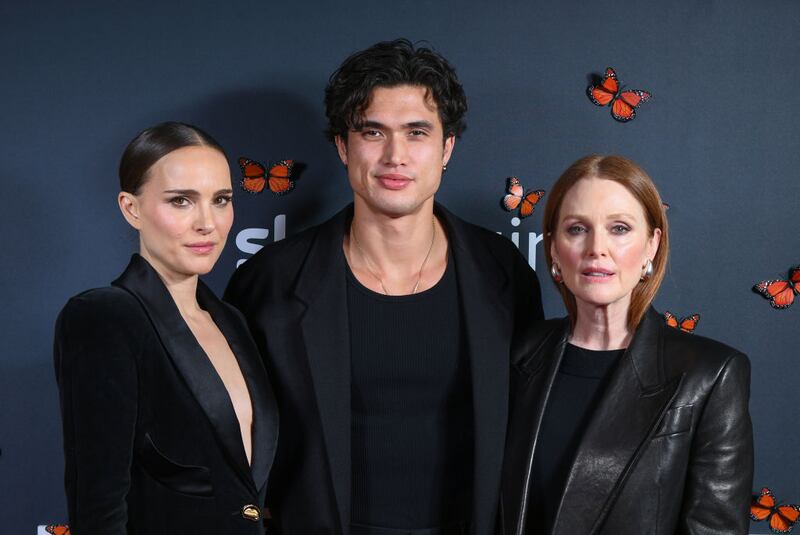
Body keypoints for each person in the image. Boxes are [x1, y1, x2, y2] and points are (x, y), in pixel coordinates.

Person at [225, 39, 543, 535]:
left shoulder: (504, 275)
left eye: (417, 132)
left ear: (447, 148)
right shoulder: (270, 283)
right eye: (373, 132)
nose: (396, 156)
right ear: (342, 146)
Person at [498, 155, 754, 535]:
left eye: (619, 228)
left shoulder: (710, 375)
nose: (596, 248)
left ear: (652, 245)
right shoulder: (515, 355)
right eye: (576, 229)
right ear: (552, 248)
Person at [53, 122, 278, 534]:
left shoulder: (232, 321)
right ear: (130, 208)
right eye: (181, 201)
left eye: (221, 199)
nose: (207, 222)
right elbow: (98, 506)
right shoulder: (105, 317)